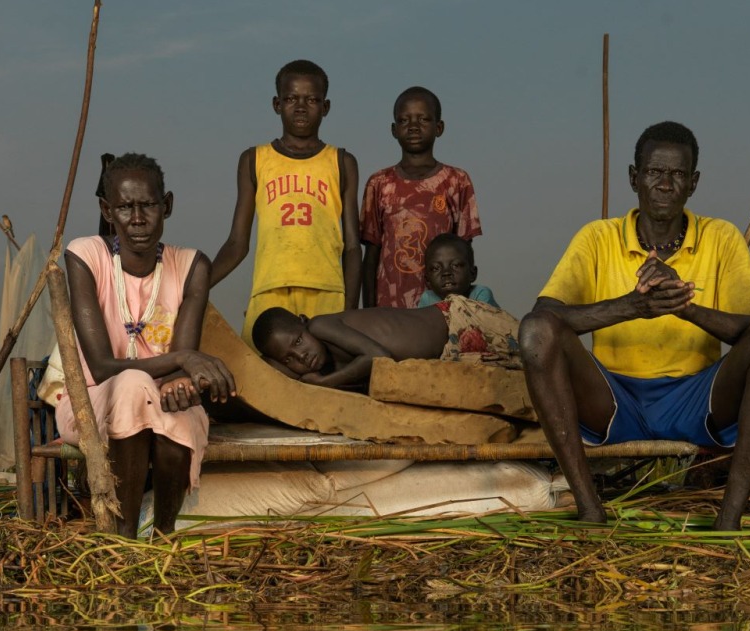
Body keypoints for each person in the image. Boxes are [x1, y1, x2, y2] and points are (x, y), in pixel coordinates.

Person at [518, 121, 750, 529]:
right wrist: (632, 306)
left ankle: (728, 523)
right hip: (613, 400)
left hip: (697, 399)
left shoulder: (721, 237)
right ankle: (591, 511)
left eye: (678, 174)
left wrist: (684, 307)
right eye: (653, 172)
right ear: (634, 178)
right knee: (535, 332)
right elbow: (544, 316)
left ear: (693, 183)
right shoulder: (598, 237)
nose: (665, 184)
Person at [60, 153, 237, 537]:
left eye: (149, 206)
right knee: (131, 385)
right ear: (107, 211)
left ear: (167, 205)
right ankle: (124, 534)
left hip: (165, 396)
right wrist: (185, 360)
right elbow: (103, 367)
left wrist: (182, 374)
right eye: (125, 207)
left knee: (171, 407)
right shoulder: (85, 255)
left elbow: (179, 371)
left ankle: (164, 534)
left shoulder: (192, 265)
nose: (138, 219)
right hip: (94, 403)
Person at [211, 60, 360, 336]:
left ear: (325, 107)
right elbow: (236, 243)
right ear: (277, 104)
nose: (301, 107)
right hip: (270, 291)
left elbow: (352, 245)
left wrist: (349, 308)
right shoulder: (254, 160)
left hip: (327, 290)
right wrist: (197, 286)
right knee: (258, 375)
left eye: (311, 99)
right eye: (291, 98)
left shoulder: (341, 162)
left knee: (325, 376)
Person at [360, 87, 482, 309]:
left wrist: (465, 310)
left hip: (443, 307)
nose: (413, 126)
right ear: (394, 129)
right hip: (390, 308)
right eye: (404, 120)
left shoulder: (456, 181)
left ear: (439, 127)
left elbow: (465, 251)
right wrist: (369, 312)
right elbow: (371, 255)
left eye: (423, 119)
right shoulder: (379, 183)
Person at [251, 297, 519, 390]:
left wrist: (323, 383)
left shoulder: (321, 325)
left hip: (455, 318)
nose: (301, 356)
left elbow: (378, 356)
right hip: (451, 353)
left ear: (303, 322)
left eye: (298, 341)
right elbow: (268, 369)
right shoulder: (332, 366)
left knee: (537, 351)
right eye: (289, 358)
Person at [415, 234, 497, 308]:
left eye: (456, 265)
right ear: (427, 280)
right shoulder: (427, 299)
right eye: (436, 268)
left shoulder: (481, 294)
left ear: (472, 273)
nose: (446, 273)